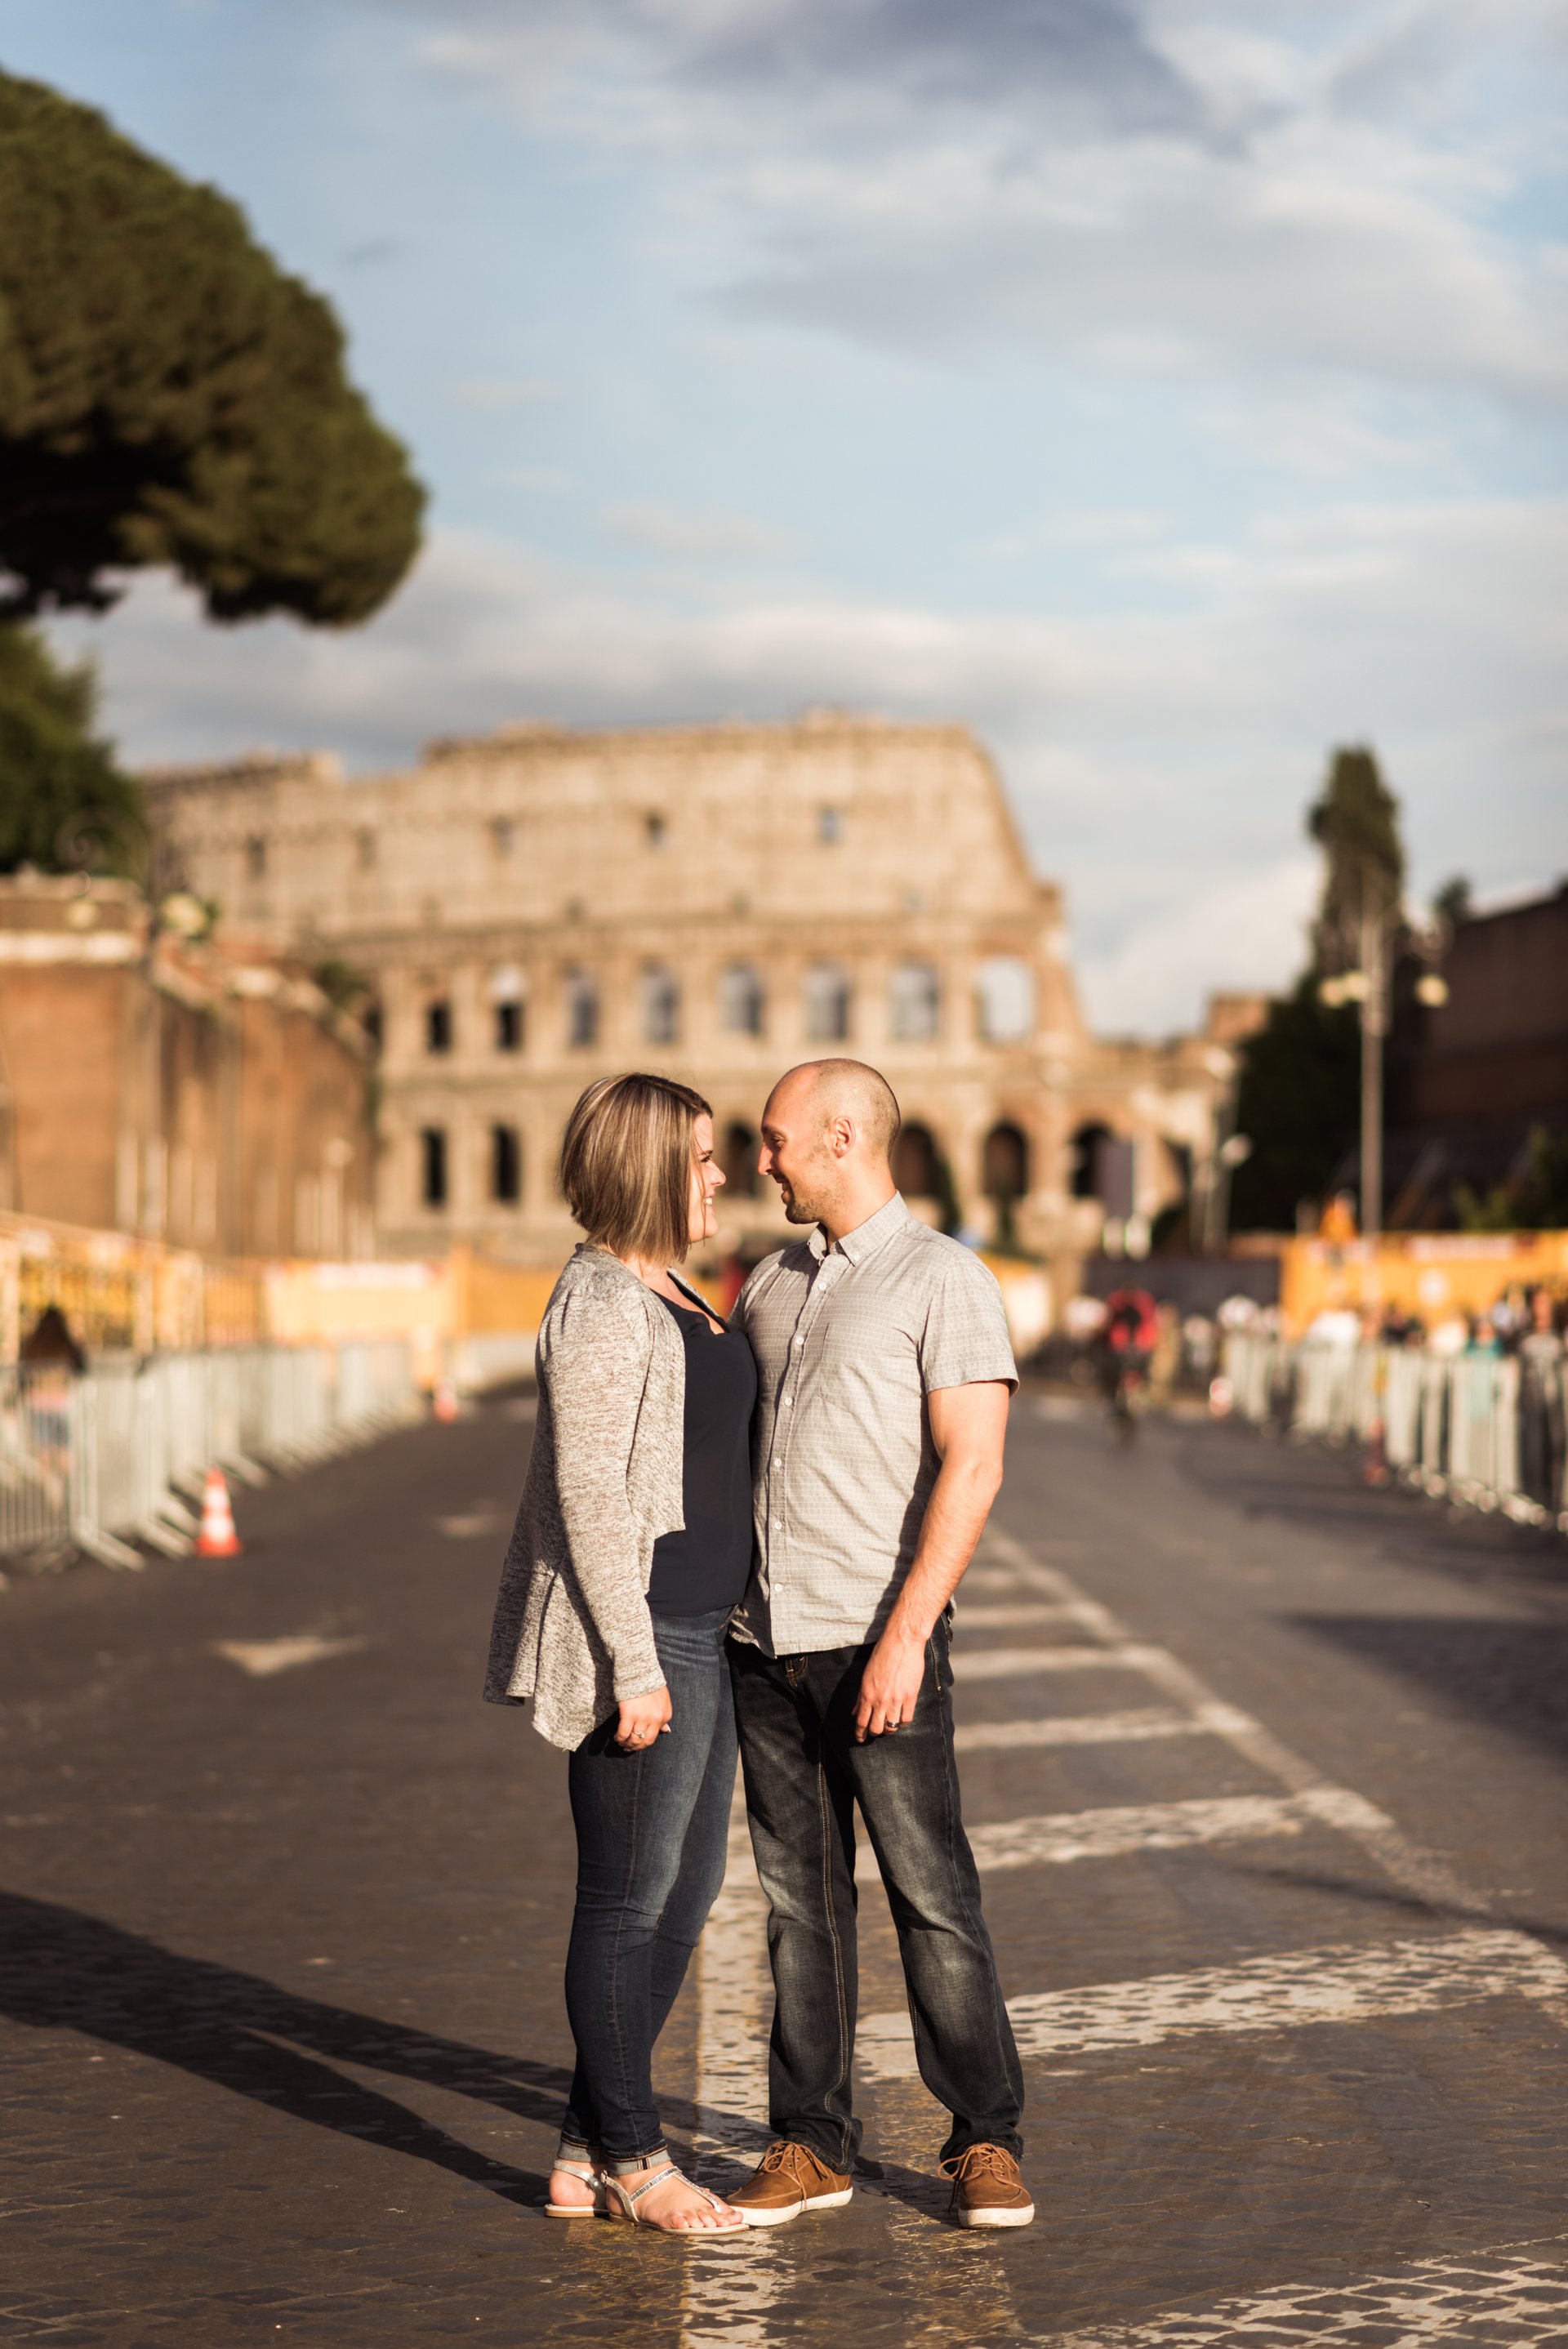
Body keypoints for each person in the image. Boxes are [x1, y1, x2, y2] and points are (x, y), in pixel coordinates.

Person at [722, 1059, 1034, 2231]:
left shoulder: (946, 1279)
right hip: (763, 1643)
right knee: (799, 1911)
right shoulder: (768, 1282)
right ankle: (813, 2144)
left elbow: (975, 1464)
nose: (762, 1159)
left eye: (775, 1139)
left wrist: (908, 1636)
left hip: (876, 1642)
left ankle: (985, 2138)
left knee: (931, 1899)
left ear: (842, 1135)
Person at [483, 1073, 755, 2235]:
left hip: (706, 1627)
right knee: (625, 1903)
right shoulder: (598, 1299)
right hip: (647, 1630)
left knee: (682, 1896)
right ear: (647, 1166)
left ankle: (581, 2148)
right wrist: (632, 1663)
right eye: (701, 1157)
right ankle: (636, 2161)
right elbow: (590, 1490)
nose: (721, 1175)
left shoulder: (676, 1287)